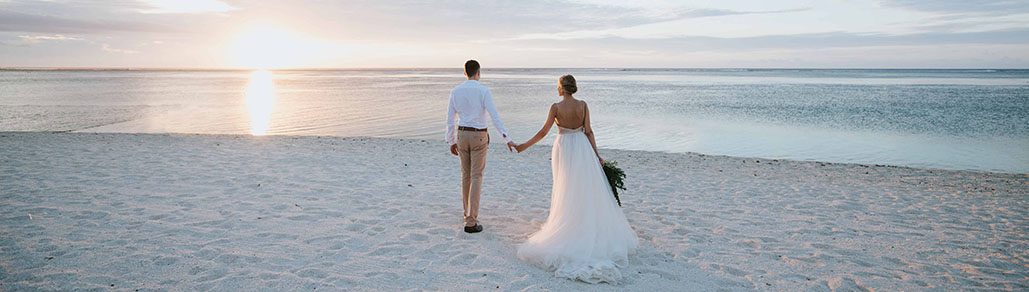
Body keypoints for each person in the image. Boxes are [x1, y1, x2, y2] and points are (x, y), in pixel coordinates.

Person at [514, 74, 638, 283]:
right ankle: (583, 223)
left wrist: (524, 145)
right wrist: (597, 155)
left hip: (564, 147)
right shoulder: (583, 105)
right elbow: (588, 131)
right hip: (582, 147)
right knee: (584, 187)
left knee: (567, 188)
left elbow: (545, 131)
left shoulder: (555, 107)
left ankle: (569, 222)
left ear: (561, 88)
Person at [445, 60, 517, 233]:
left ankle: (466, 213)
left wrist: (451, 140)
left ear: (465, 73)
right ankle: (471, 221)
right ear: (478, 73)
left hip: (462, 134)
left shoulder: (455, 91)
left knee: (466, 175)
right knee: (476, 176)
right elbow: (494, 115)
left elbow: (449, 118)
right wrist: (506, 138)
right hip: (479, 136)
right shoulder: (484, 91)